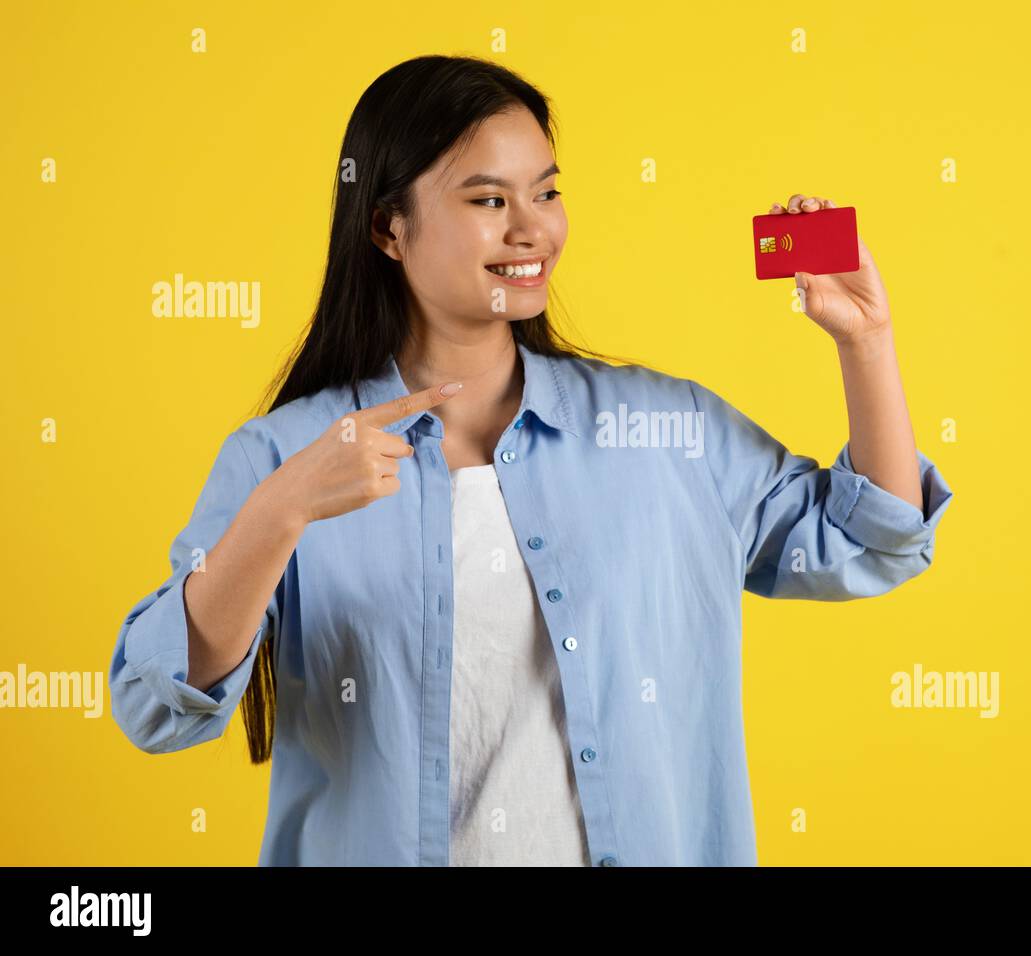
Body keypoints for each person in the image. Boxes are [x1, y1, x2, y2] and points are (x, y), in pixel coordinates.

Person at [108, 54, 955, 867]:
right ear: (388, 228)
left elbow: (874, 540)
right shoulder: (283, 456)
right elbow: (155, 706)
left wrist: (867, 341)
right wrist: (278, 513)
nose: (532, 228)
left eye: (546, 192)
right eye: (487, 198)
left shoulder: (665, 431)